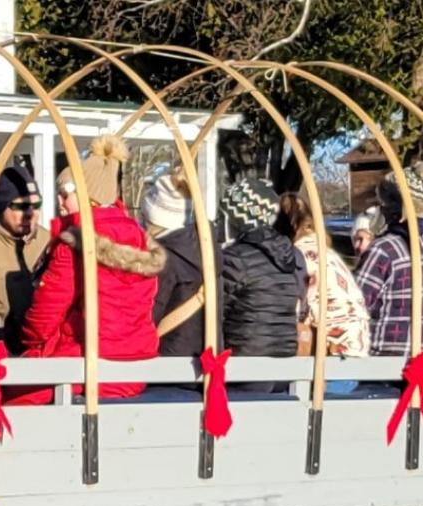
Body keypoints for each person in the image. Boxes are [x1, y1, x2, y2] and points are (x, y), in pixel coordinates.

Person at [15, 135, 164, 404]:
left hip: (87, 364)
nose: (60, 203)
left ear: (88, 196)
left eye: (66, 195)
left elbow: (47, 312)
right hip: (134, 367)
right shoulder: (139, 239)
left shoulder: (76, 243)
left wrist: (28, 341)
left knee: (8, 397)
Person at [277, 193, 372, 394]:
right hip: (354, 350)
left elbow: (295, 309)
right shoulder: (328, 254)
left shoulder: (299, 256)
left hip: (331, 358)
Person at [218, 179, 307, 393]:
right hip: (285, 358)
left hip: (245, 362)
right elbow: (301, 306)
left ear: (237, 218)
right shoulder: (292, 255)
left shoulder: (235, 258)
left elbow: (218, 309)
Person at [356, 176, 423, 357]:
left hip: (389, 364)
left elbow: (355, 306)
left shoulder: (385, 250)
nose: (380, 211)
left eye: (382, 205)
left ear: (396, 208)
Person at [143, 168, 215, 359]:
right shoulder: (209, 251)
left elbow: (149, 319)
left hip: (165, 362)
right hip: (205, 360)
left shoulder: (163, 259)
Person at [0, 166, 52, 353]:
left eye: (36, 206)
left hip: (41, 350)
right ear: (2, 206)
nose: (31, 213)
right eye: (20, 206)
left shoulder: (49, 242)